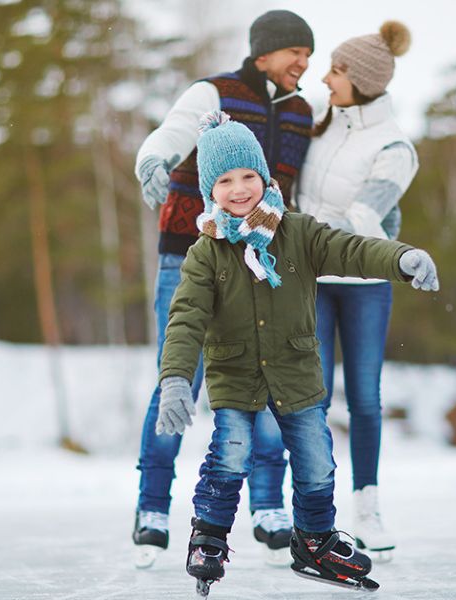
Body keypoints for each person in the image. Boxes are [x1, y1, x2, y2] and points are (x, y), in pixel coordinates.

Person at [156, 110, 438, 593]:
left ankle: (313, 541)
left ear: (265, 178)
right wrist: (176, 378)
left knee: (317, 460)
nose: (239, 188)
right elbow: (186, 318)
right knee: (232, 453)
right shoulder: (206, 252)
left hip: (296, 374)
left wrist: (401, 257)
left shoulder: (298, 232)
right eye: (225, 180)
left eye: (248, 175)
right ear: (210, 191)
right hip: (236, 377)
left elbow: (352, 250)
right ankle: (208, 536)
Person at [131, 10, 316, 567]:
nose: (304, 63)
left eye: (309, 55)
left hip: (261, 260)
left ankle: (267, 506)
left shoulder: (306, 110)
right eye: (295, 54)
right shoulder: (215, 92)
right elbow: (172, 133)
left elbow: (332, 166)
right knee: (177, 373)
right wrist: (152, 161)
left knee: (267, 374)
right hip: (188, 254)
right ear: (264, 54)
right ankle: (152, 506)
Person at [294, 21, 417, 560]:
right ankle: (310, 514)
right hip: (312, 282)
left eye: (337, 71)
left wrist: (306, 225)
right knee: (311, 397)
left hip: (365, 283)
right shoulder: (320, 128)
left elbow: (366, 218)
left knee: (364, 398)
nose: (325, 78)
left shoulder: (394, 147)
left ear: (362, 79)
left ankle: (366, 505)